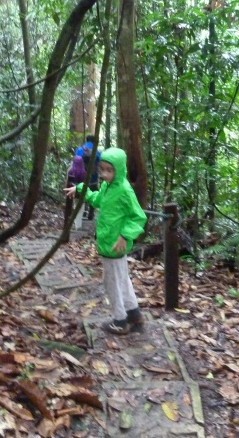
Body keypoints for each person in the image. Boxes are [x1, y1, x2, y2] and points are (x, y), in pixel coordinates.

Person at [65, 147, 147, 335]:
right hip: (108, 241)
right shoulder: (107, 187)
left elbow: (138, 217)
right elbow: (96, 200)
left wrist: (125, 236)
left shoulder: (124, 190)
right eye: (102, 170)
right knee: (122, 278)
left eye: (109, 170)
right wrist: (79, 189)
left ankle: (120, 320)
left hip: (116, 243)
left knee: (112, 281)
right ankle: (133, 313)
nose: (105, 174)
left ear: (119, 169)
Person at [76, 135, 101, 220]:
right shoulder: (97, 151)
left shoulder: (80, 149)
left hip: (81, 177)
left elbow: (75, 161)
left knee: (82, 193)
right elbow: (100, 163)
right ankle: (91, 213)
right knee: (93, 193)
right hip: (93, 177)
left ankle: (82, 212)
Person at [64, 154, 86, 230]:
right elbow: (84, 184)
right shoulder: (84, 172)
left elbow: (67, 181)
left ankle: (68, 223)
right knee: (80, 208)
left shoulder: (70, 170)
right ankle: (78, 225)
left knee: (70, 207)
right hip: (79, 192)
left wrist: (65, 191)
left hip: (70, 191)